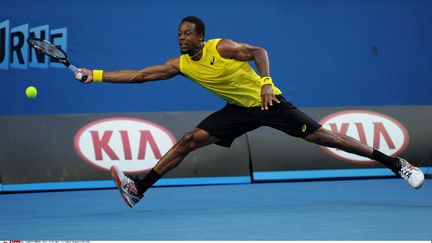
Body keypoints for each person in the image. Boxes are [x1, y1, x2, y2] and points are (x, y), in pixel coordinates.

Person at [76, 16, 424, 208]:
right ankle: (139, 189)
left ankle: (398, 164)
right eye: (178, 34)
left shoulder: (223, 48)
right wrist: (97, 75)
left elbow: (259, 50)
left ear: (201, 37)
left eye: (187, 34)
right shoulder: (181, 64)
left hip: (267, 103)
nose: (181, 38)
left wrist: (267, 82)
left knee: (326, 137)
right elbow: (139, 76)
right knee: (188, 140)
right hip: (238, 110)